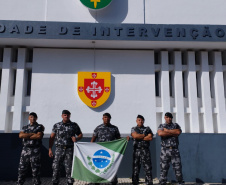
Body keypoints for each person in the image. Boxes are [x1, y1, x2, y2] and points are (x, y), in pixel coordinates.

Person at [91, 113, 129, 185]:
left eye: (108, 117)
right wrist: (90, 150)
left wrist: (125, 140)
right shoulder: (98, 128)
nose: (106, 119)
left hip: (111, 153)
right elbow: (93, 140)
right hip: (100, 153)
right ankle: (96, 182)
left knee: (112, 167)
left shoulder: (114, 128)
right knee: (99, 168)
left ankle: (113, 181)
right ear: (102, 118)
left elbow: (119, 139)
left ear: (110, 119)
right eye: (105, 117)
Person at [49, 110, 83, 185]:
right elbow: (52, 137)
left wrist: (76, 138)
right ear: (62, 116)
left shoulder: (74, 125)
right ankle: (55, 182)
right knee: (56, 168)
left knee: (69, 168)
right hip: (59, 149)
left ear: (70, 116)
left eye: (67, 115)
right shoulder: (56, 125)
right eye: (64, 115)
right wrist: (50, 149)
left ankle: (70, 183)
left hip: (69, 149)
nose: (66, 116)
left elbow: (80, 134)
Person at [17, 112, 45, 185]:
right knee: (21, 169)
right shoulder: (25, 127)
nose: (33, 118)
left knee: (36, 170)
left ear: (36, 118)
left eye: (34, 117)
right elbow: (20, 135)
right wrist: (32, 134)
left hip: (35, 150)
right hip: (25, 150)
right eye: (31, 117)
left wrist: (26, 135)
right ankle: (20, 183)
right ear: (29, 118)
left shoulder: (39, 127)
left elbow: (38, 136)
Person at [157, 112, 184, 185]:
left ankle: (180, 182)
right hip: (165, 150)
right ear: (165, 118)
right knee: (163, 169)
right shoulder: (161, 125)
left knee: (178, 169)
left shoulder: (176, 125)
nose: (169, 119)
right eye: (167, 117)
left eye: (170, 117)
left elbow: (178, 132)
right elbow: (160, 133)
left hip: (175, 150)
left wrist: (167, 131)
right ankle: (162, 183)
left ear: (172, 118)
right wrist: (173, 133)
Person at [131, 115, 153, 185]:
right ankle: (135, 182)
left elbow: (150, 138)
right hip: (137, 150)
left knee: (147, 167)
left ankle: (149, 182)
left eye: (142, 120)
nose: (140, 121)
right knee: (136, 167)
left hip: (145, 150)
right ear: (136, 121)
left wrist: (139, 137)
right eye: (139, 120)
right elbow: (135, 136)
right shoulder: (133, 128)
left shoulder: (147, 128)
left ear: (143, 121)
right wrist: (144, 135)